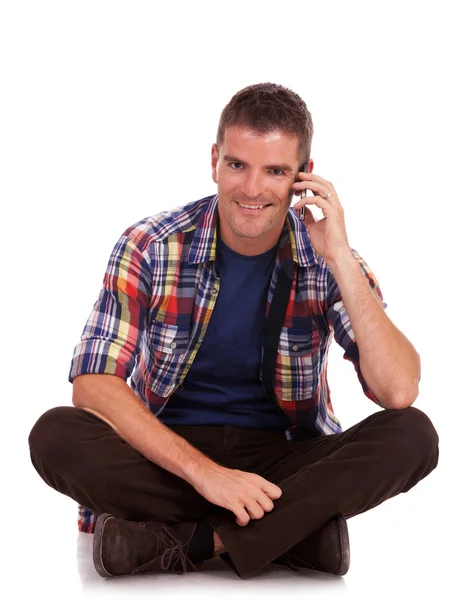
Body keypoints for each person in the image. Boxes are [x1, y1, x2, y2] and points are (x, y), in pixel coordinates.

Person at [28, 82, 439, 580]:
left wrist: (340, 258)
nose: (251, 189)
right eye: (238, 165)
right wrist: (208, 476)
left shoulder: (330, 258)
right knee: (55, 435)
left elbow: (398, 389)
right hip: (170, 453)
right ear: (214, 161)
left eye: (276, 171)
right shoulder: (151, 244)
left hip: (280, 459)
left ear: (303, 177)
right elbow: (93, 385)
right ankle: (292, 534)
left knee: (414, 435)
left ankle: (195, 542)